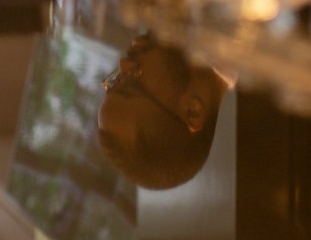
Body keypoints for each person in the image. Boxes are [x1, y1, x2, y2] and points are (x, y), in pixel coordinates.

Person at [97, 34, 231, 191]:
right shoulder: (257, 35)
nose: (123, 63)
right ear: (193, 111)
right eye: (133, 81)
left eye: (115, 80)